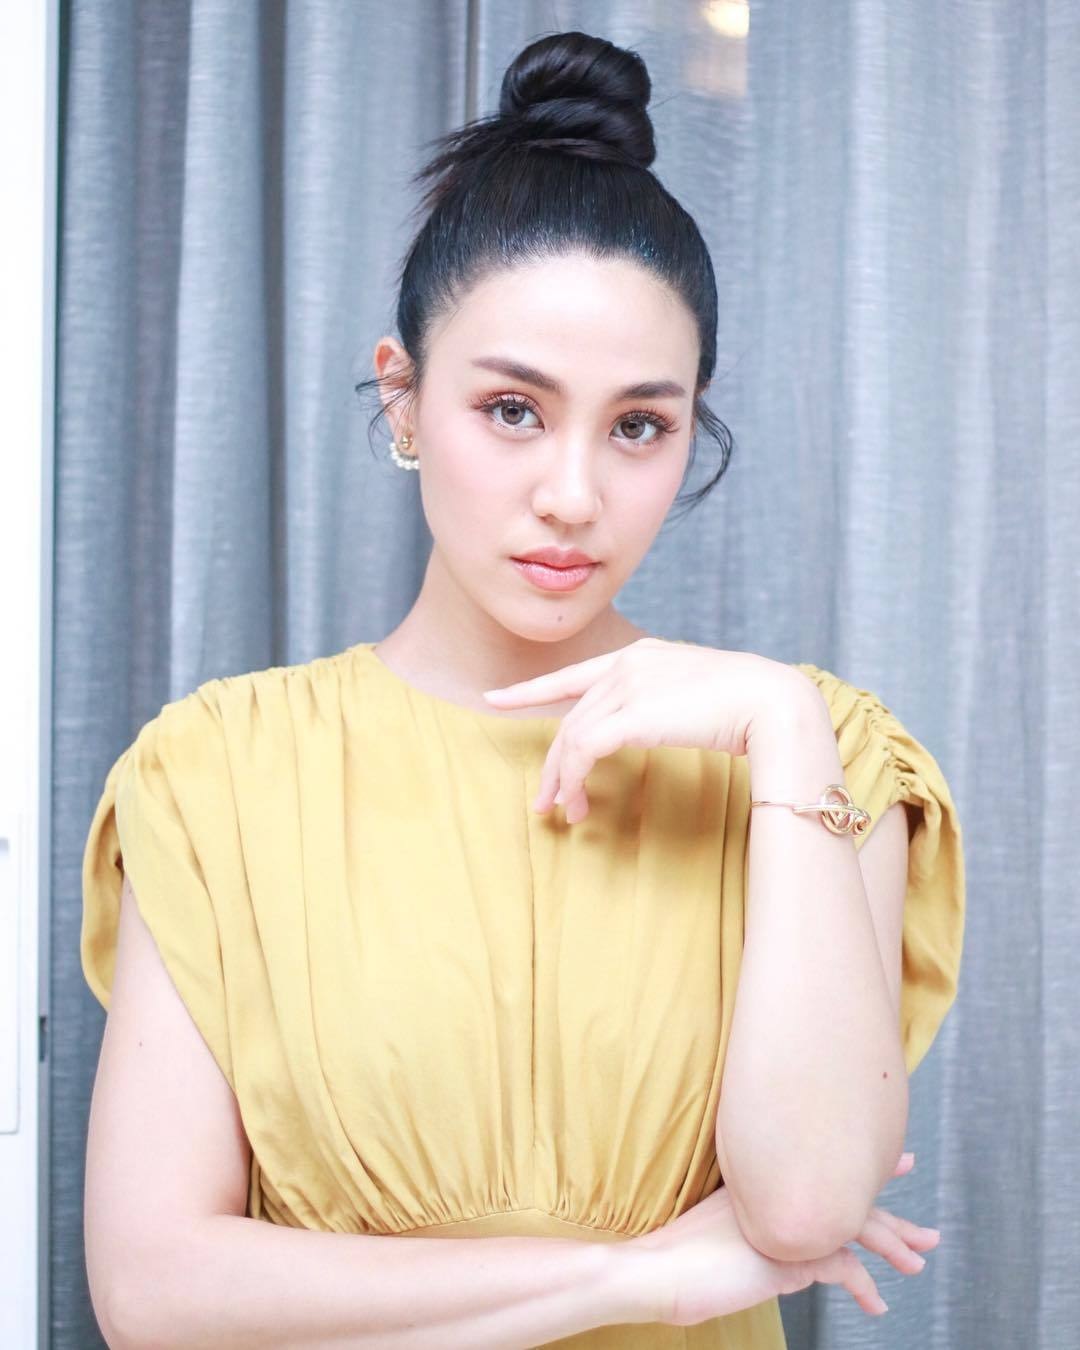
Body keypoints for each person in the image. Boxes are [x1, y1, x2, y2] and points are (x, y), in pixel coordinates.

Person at [80, 29, 965, 1349]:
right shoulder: (219, 773)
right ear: (403, 396)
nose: (572, 494)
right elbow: (155, 1293)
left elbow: (805, 1203)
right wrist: (630, 1279)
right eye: (512, 409)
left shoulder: (825, 751)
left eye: (639, 426)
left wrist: (784, 729)